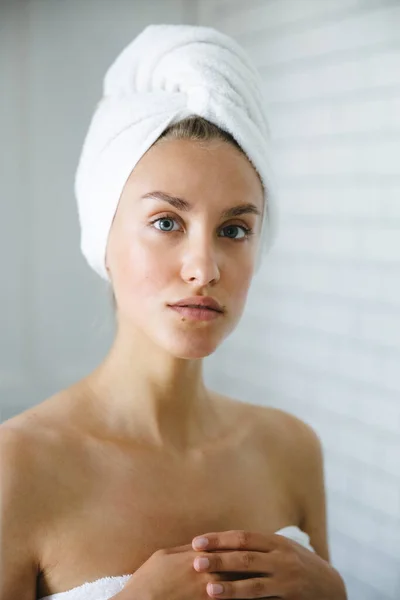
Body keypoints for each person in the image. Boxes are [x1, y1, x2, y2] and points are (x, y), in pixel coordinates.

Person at [0, 25, 347, 600]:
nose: (204, 268)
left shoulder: (292, 449)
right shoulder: (16, 470)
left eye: (235, 229)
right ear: (102, 232)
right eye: (167, 222)